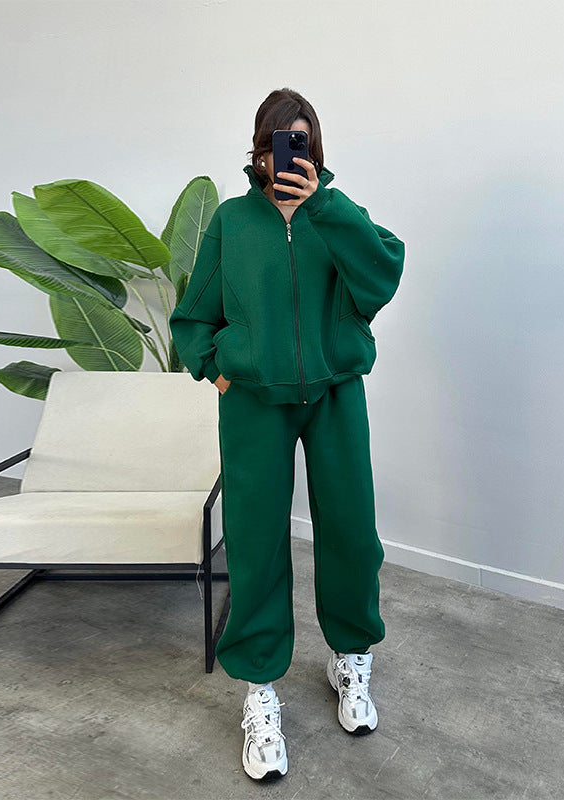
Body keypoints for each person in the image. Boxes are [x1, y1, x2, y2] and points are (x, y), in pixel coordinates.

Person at [169, 88, 405, 782]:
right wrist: (217, 369)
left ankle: (350, 660)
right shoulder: (233, 222)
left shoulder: (336, 214)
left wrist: (323, 207)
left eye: (301, 142)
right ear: (259, 151)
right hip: (254, 404)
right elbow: (193, 315)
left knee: (352, 532)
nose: (288, 157)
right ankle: (260, 689)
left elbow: (383, 275)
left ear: (315, 150)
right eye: (278, 143)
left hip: (336, 394)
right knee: (256, 539)